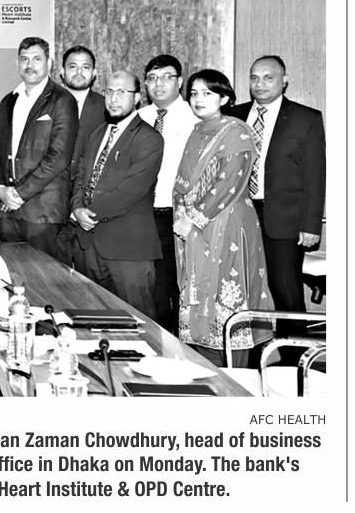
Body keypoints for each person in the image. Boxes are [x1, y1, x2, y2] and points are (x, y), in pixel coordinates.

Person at [173, 70, 273, 367]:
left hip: (227, 223)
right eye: (194, 93)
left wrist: (193, 218)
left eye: (207, 93)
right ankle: (201, 366)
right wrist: (183, 215)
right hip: (194, 227)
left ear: (225, 98)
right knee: (196, 291)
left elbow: (229, 181)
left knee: (226, 292)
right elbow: (184, 183)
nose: (198, 99)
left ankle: (232, 373)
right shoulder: (197, 131)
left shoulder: (236, 131)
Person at [231, 56, 326, 336]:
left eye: (268, 77)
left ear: (284, 81)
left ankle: (293, 354)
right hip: (240, 215)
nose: (260, 84)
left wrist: (311, 225)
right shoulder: (234, 115)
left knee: (285, 290)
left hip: (284, 220)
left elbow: (315, 176)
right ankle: (251, 350)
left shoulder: (305, 118)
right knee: (242, 287)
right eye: (254, 78)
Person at [70, 71, 162, 319]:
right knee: (94, 319)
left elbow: (131, 189)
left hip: (128, 248)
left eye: (122, 92)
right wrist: (76, 208)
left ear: (137, 98)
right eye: (109, 91)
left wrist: (89, 213)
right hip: (88, 244)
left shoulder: (149, 138)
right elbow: (80, 176)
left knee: (138, 322)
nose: (114, 98)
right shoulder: (96, 134)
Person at [0, 37, 78, 257]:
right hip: (7, 212)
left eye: (37, 59)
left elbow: (59, 157)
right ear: (17, 63)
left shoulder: (62, 100)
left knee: (44, 277)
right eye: (24, 59)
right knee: (11, 273)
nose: (30, 65)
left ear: (50, 63)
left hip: (43, 213)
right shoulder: (9, 101)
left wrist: (19, 194)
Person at [138, 54, 199, 334]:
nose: (158, 84)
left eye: (166, 77)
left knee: (177, 286)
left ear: (180, 81)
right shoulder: (139, 117)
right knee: (151, 288)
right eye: (152, 78)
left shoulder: (194, 118)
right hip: (141, 214)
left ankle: (179, 345)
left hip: (177, 216)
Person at [58, 44, 106, 266]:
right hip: (50, 208)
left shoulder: (107, 107)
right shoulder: (46, 104)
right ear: (62, 72)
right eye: (73, 67)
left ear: (94, 73)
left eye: (85, 67)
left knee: (89, 278)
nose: (79, 72)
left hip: (90, 210)